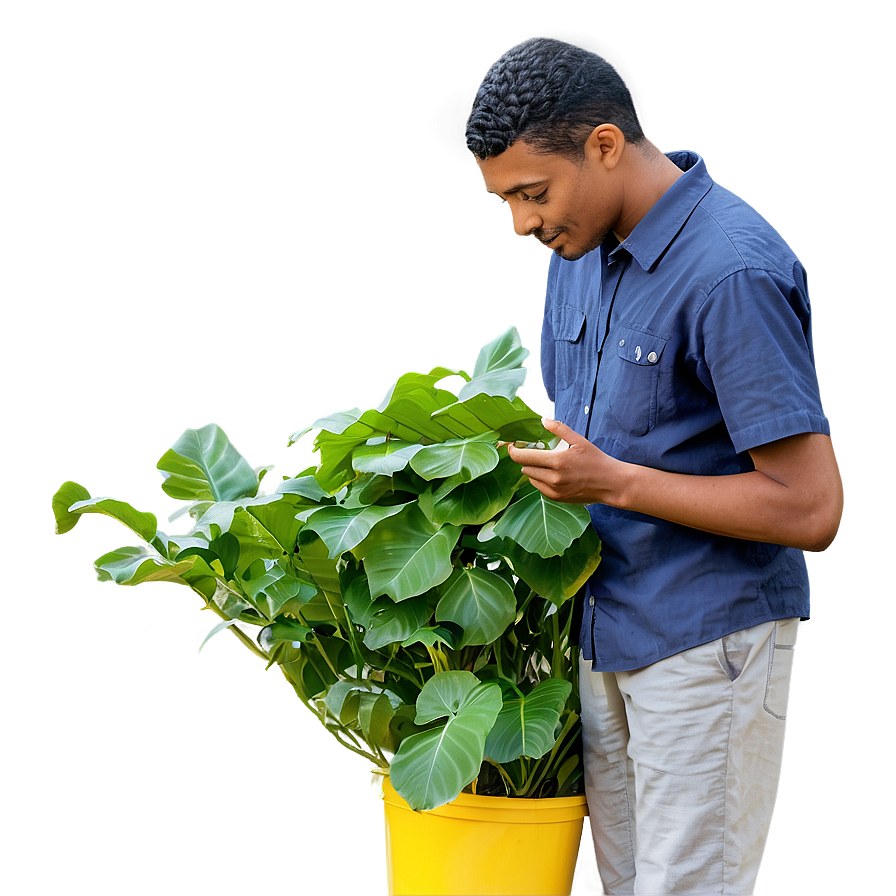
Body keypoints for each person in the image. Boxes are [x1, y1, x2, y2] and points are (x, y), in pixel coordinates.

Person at [464, 37, 842, 896]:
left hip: (704, 640)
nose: (522, 222)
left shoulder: (730, 271)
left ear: (603, 146)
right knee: (624, 883)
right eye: (506, 200)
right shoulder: (581, 252)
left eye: (532, 193)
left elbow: (811, 509)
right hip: (610, 632)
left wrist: (614, 483)